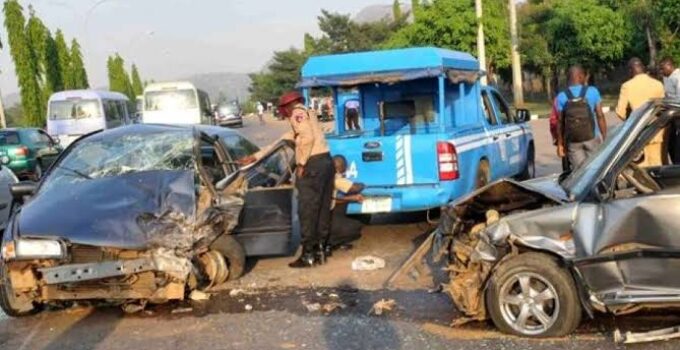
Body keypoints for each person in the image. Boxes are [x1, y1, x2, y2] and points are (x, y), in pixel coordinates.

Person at [277, 91, 334, 268]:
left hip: (312, 165)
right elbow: (296, 138)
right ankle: (321, 250)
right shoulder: (309, 112)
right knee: (323, 209)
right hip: (326, 162)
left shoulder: (297, 113)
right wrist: (257, 156)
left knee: (307, 211)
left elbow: (307, 138)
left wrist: (301, 164)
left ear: (288, 106)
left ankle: (308, 255)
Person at [615, 58, 665, 166]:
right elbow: (663, 108)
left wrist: (631, 121)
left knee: (642, 167)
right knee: (656, 163)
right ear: (643, 68)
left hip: (638, 132)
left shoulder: (627, 86)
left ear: (630, 70)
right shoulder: (658, 84)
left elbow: (620, 112)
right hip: (656, 130)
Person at [556, 65, 607, 169]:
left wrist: (560, 144)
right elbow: (600, 115)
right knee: (596, 170)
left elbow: (560, 122)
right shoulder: (592, 91)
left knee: (580, 174)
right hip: (592, 137)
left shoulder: (561, 96)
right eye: (584, 76)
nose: (585, 78)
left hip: (573, 141)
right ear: (580, 76)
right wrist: (604, 136)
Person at [326, 155, 365, 254]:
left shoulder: (324, 176)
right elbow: (355, 188)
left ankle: (331, 241)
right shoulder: (337, 179)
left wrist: (350, 198)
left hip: (318, 218)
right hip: (326, 221)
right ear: (342, 168)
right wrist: (364, 185)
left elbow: (333, 199)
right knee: (356, 227)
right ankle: (330, 243)